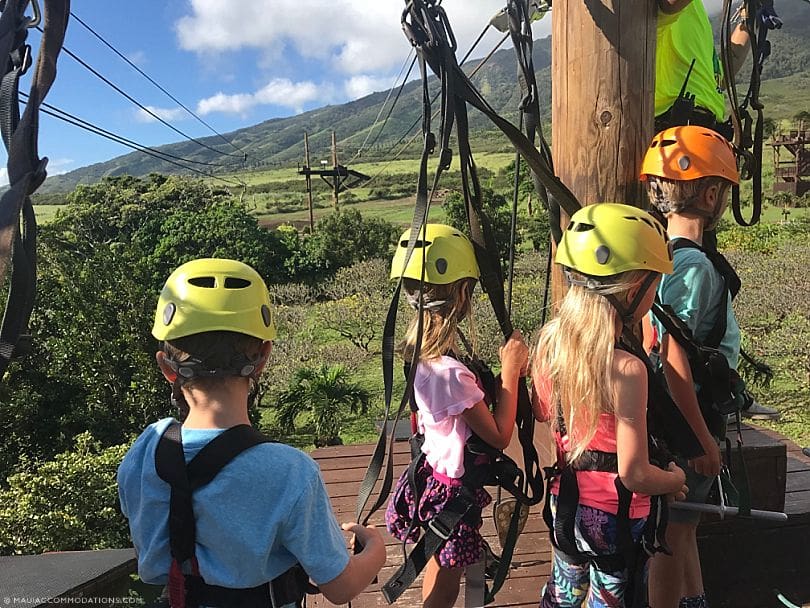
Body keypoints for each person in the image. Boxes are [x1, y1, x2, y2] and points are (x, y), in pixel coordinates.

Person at [117, 258, 386, 608]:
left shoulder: (146, 450)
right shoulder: (290, 471)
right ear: (263, 358)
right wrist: (376, 548)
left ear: (167, 368)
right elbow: (340, 587)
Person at [532, 203, 688, 608]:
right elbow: (634, 473)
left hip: (565, 504)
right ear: (634, 290)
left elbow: (543, 416)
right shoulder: (626, 369)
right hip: (615, 518)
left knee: (564, 593)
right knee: (611, 600)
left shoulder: (549, 345)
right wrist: (673, 480)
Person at [383, 224, 529, 608]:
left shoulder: (420, 353)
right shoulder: (449, 372)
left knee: (442, 557)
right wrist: (511, 371)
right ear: (463, 293)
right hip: (454, 490)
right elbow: (499, 435)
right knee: (446, 584)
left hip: (436, 476)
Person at [641, 126, 741, 608]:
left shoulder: (658, 255)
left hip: (668, 418)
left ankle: (695, 600)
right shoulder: (695, 268)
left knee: (684, 524)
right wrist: (699, 439)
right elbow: (673, 357)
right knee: (673, 533)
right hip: (687, 419)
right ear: (712, 195)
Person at [655, 0, 751, 139]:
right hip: (673, 134)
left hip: (705, 137)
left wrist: (749, 18)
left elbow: (718, 77)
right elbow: (669, 5)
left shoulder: (694, 11)